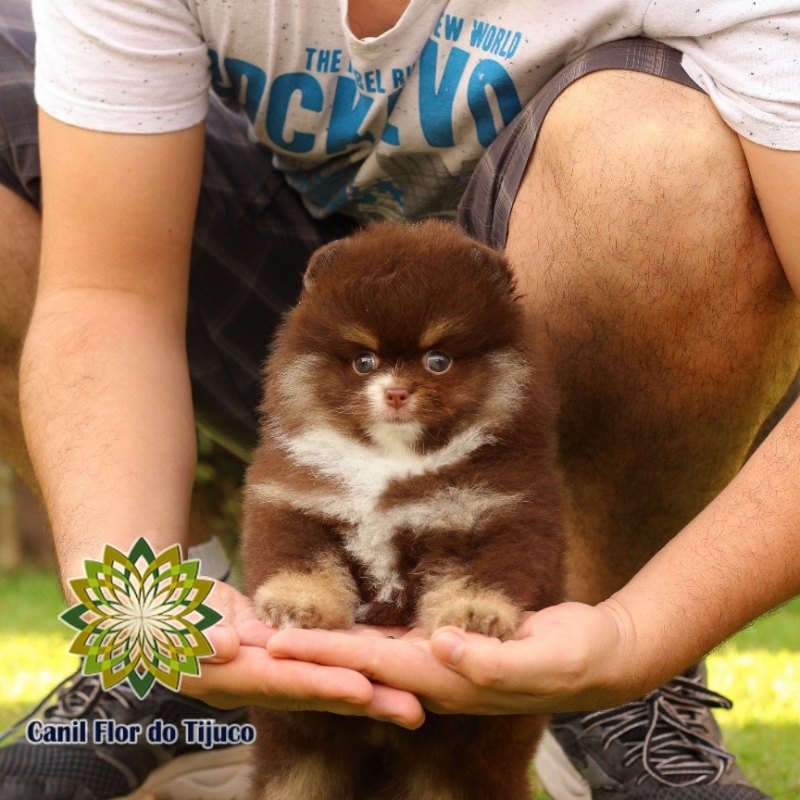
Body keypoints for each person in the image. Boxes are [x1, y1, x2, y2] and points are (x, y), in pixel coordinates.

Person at [0, 0, 798, 797]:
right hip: (317, 310)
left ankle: (597, 666)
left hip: (564, 336)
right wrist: (137, 600)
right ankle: (172, 654)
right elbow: (106, 295)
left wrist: (634, 635)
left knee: (650, 146)